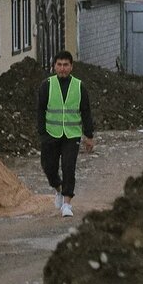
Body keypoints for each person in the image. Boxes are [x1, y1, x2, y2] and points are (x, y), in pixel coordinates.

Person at [37, 51, 94, 218]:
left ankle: (67, 204)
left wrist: (88, 136)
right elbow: (40, 110)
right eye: (59, 65)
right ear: (54, 66)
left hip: (71, 135)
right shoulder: (46, 85)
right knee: (49, 167)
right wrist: (42, 132)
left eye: (66, 65)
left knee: (69, 167)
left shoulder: (79, 86)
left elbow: (86, 112)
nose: (62, 68)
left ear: (71, 67)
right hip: (51, 134)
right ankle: (59, 189)